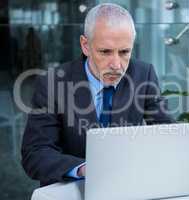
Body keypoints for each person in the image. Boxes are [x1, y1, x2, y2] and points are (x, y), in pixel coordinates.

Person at [21, 3, 174, 187]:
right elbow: (35, 154)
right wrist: (84, 169)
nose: (116, 65)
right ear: (85, 46)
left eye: (124, 52)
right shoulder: (52, 83)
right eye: (105, 52)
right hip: (71, 189)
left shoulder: (144, 74)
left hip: (125, 186)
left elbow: (168, 136)